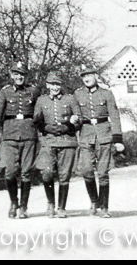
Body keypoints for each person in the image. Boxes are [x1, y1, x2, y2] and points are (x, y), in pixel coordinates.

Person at [0, 61, 42, 219]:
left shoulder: (34, 91)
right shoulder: (5, 92)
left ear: (26, 76)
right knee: (10, 172)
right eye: (16, 74)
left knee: (26, 173)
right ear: (12, 75)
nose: (19, 77)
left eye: (22, 74)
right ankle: (13, 202)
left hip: (28, 135)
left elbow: (40, 112)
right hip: (9, 136)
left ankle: (24, 207)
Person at [73, 64, 123, 218]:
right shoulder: (77, 94)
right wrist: (75, 119)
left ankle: (104, 208)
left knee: (102, 173)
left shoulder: (106, 94)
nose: (86, 78)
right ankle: (94, 200)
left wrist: (118, 139)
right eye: (84, 76)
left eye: (89, 75)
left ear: (96, 76)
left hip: (104, 136)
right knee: (87, 170)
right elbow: (77, 115)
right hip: (86, 136)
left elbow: (114, 116)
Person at [33, 72, 79, 218]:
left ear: (61, 85)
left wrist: (70, 126)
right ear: (47, 85)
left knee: (64, 176)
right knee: (46, 173)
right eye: (52, 84)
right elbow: (36, 120)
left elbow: (79, 119)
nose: (55, 87)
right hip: (48, 142)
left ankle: (62, 208)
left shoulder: (70, 99)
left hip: (67, 141)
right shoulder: (41, 100)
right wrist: (46, 128)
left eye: (57, 84)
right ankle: (51, 203)